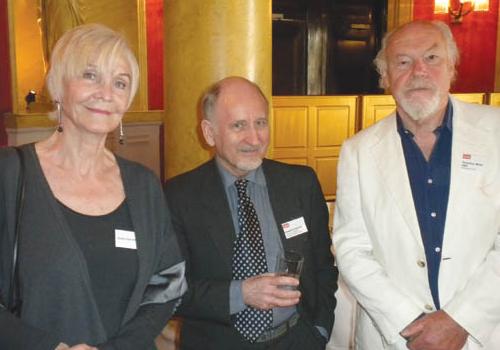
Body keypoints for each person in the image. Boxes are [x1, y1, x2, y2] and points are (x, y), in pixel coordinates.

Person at [0, 24, 186, 350]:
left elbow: (167, 283)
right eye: (90, 75)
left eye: (120, 83)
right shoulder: (10, 174)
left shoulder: (143, 185)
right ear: (58, 86)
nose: (106, 93)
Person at [333, 20, 500, 350]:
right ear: (386, 76)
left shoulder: (496, 132)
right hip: (395, 337)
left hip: (482, 334)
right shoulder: (358, 151)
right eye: (403, 61)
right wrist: (409, 323)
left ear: (452, 66)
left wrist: (460, 319)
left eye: (432, 58)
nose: (418, 71)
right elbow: (351, 249)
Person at [164, 76, 338, 350]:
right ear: (209, 133)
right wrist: (240, 294)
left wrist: (319, 330)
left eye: (261, 123)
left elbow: (324, 267)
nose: (254, 138)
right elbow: (169, 290)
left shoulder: (300, 183)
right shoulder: (178, 196)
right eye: (238, 125)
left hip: (297, 339)